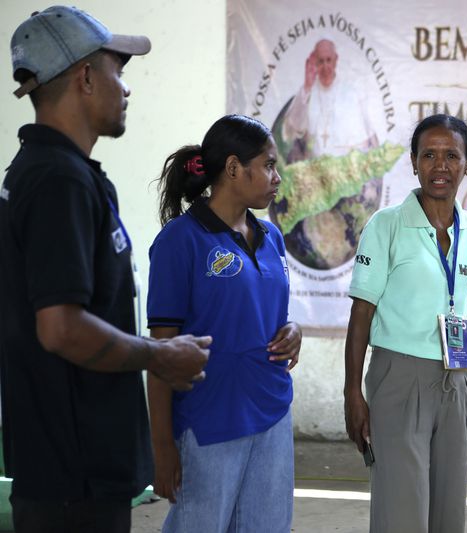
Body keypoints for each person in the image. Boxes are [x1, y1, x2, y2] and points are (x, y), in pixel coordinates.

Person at [0, 6, 210, 532]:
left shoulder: (45, 172)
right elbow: (60, 327)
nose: (127, 89)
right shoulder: (58, 183)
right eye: (119, 72)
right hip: (75, 480)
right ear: (86, 77)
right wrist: (160, 355)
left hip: (65, 471)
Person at [344, 114, 467, 532]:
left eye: (452, 155)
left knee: (449, 511)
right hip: (398, 375)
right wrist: (352, 391)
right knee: (402, 508)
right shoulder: (387, 225)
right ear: (413, 163)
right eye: (429, 155)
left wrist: (461, 322)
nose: (441, 166)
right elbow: (362, 312)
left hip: (459, 377)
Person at [147, 114, 302, 533]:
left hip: (271, 412)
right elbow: (160, 353)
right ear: (234, 168)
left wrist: (294, 332)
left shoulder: (271, 237)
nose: (276, 177)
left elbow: (267, 314)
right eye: (269, 164)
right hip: (209, 419)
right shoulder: (180, 241)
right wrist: (162, 445)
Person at [282, 38, 377, 160]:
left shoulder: (351, 93)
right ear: (315, 63)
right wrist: (307, 86)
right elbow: (293, 128)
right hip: (314, 170)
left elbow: (368, 138)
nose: (325, 66)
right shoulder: (306, 92)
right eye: (320, 61)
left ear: (335, 60)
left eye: (328, 60)